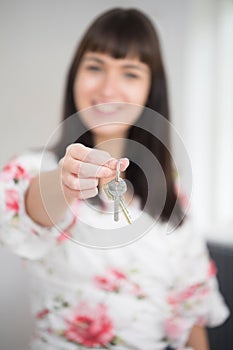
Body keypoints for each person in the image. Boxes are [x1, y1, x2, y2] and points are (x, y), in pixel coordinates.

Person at [0, 7, 229, 350]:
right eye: (95, 67)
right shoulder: (34, 168)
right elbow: (32, 210)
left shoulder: (171, 195)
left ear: (151, 90)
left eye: (130, 73)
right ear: (74, 77)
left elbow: (190, 309)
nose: (109, 88)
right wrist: (67, 180)